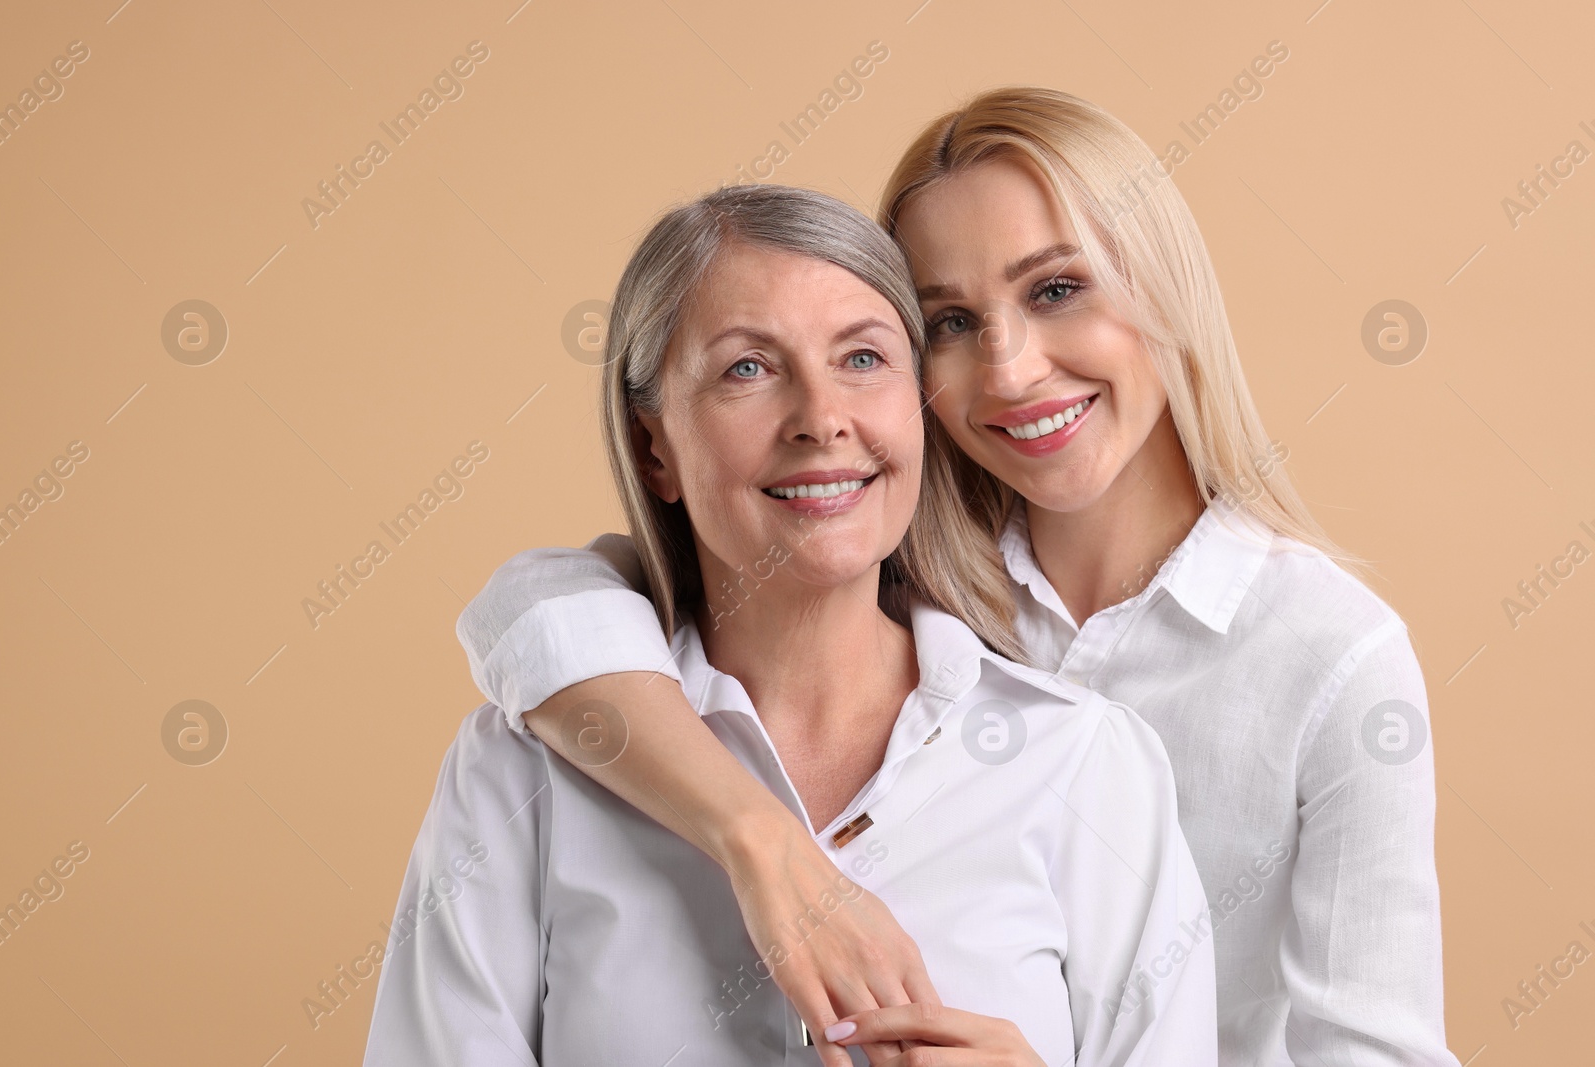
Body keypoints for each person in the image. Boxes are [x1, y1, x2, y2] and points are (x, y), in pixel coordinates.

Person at [454, 87, 1460, 1066]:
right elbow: (537, 614)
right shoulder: (881, 573)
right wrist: (765, 844)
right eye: (948, 321)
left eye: (1056, 288)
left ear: (1165, 285)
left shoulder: (1327, 655)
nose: (1012, 369)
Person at [364, 183, 1217, 1066]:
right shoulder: (519, 777)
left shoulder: (1085, 764)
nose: (821, 419)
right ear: (656, 449)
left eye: (863, 358)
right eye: (748, 369)